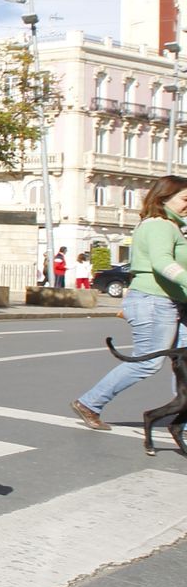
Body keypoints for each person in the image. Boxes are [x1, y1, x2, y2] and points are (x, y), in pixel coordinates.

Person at [70, 175, 187, 431]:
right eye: (185, 199)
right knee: (147, 362)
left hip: (171, 302)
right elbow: (162, 262)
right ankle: (90, 403)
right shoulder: (159, 225)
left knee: (184, 363)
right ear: (164, 198)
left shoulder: (172, 225)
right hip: (154, 301)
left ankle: (184, 423)